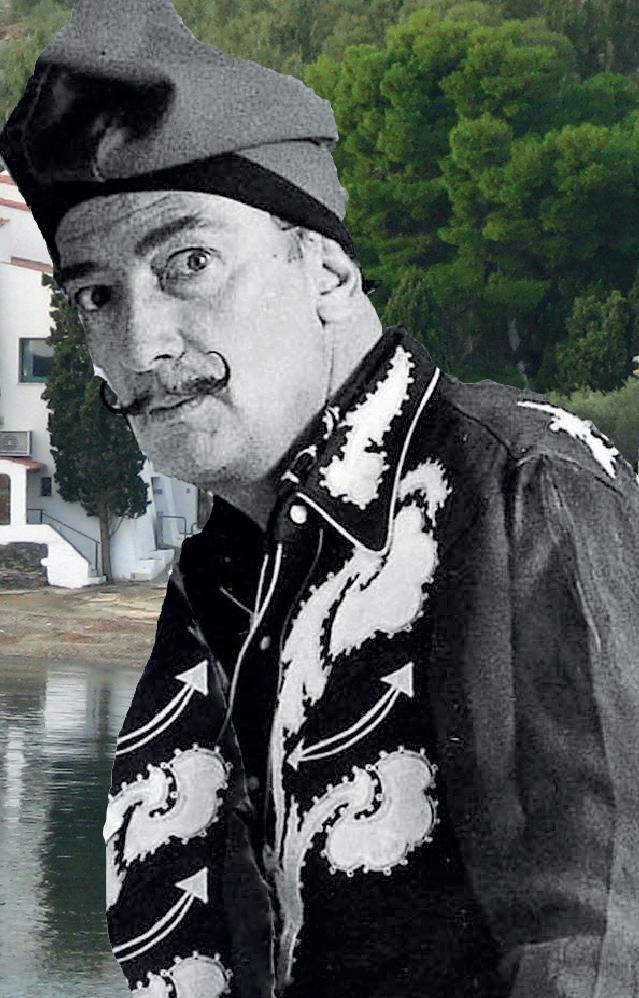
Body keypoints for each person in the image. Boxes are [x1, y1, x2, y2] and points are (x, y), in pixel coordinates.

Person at [3, 1, 639, 996]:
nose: (141, 343)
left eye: (189, 263)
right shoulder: (225, 574)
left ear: (330, 271)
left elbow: (602, 951)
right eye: (97, 296)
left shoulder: (517, 487)